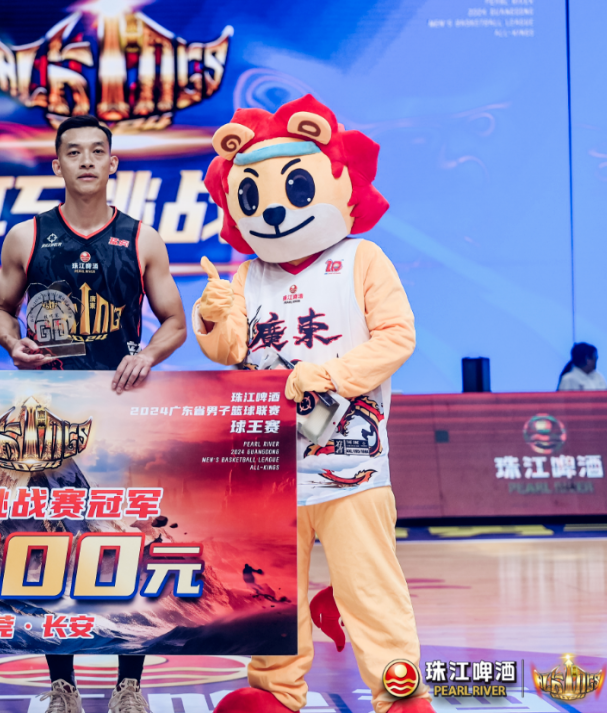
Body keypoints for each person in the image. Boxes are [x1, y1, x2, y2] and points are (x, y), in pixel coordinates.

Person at [195, 97, 433, 713]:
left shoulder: (362, 259)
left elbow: (397, 337)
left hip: (351, 463)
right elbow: (230, 351)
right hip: (270, 468)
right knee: (270, 592)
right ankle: (275, 692)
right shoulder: (249, 275)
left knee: (370, 588)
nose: (273, 209)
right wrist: (213, 317)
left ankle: (399, 695)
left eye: (295, 186)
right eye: (252, 196)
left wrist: (327, 375)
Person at [0, 115, 187, 713]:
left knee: (125, 540)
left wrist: (147, 354)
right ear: (56, 165)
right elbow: (1, 312)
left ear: (112, 163)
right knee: (53, 543)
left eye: (96, 151)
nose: (85, 161)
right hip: (52, 415)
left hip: (120, 408)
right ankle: (63, 684)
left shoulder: (142, 238)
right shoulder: (26, 236)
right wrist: (13, 345)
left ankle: (130, 684)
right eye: (72, 152)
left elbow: (175, 322)